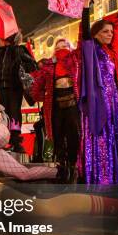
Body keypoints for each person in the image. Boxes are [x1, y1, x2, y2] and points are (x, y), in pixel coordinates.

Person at [79, 0, 118, 184]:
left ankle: (116, 179)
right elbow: (84, 33)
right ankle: (102, 180)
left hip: (114, 103)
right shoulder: (91, 48)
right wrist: (86, 4)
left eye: (111, 31)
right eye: (105, 31)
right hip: (99, 101)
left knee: (114, 139)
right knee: (101, 138)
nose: (110, 34)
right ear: (96, 34)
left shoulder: (112, 54)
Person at [31, 38, 80, 183]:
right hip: (55, 107)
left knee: (74, 137)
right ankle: (62, 168)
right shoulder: (48, 66)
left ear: (70, 48)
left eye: (65, 46)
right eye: (58, 48)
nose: (61, 49)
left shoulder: (76, 63)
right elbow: (36, 90)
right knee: (57, 137)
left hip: (73, 105)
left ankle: (73, 167)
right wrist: (46, 97)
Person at [0, 31, 37, 153]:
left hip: (15, 88)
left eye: (0, 39)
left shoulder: (19, 50)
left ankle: (15, 140)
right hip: (1, 88)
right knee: (5, 113)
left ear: (6, 39)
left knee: (14, 112)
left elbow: (32, 64)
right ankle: (6, 138)